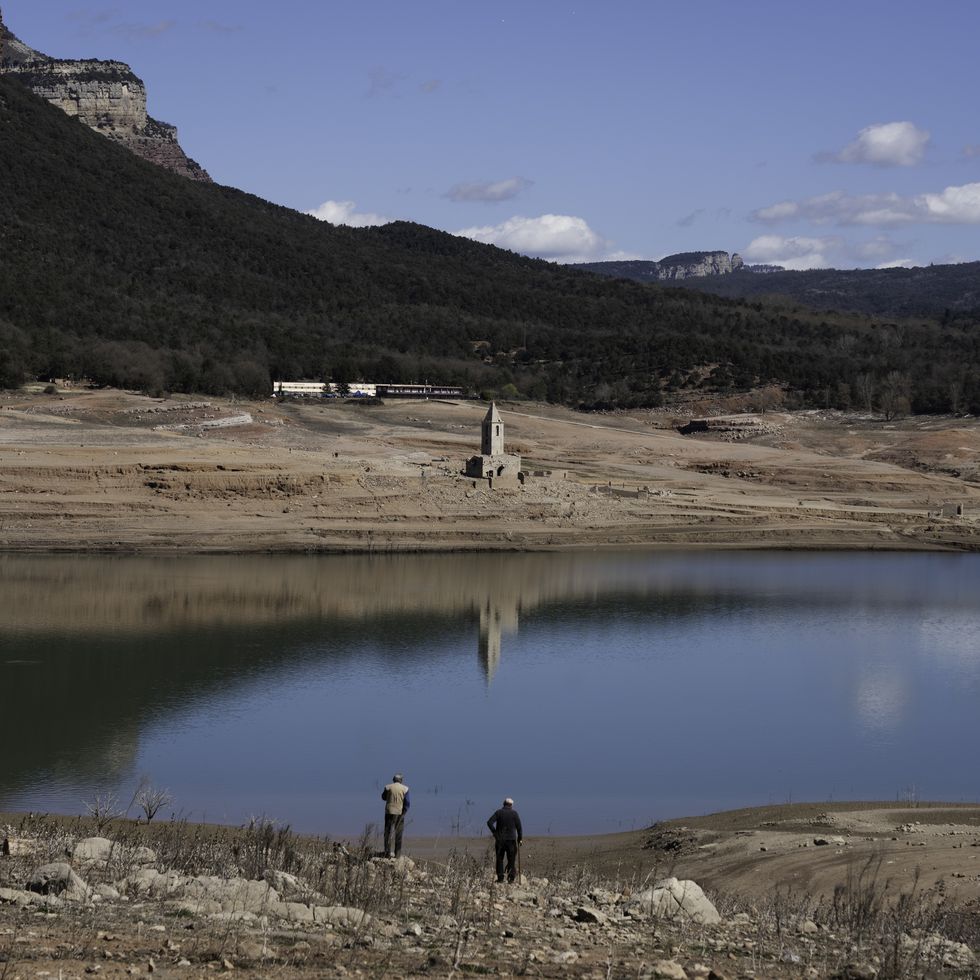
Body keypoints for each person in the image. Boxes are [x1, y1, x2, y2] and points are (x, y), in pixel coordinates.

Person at [487, 797, 523, 883]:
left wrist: (495, 833)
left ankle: (500, 878)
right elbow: (519, 828)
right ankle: (511, 879)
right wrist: (520, 839)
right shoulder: (514, 813)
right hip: (511, 840)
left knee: (499, 859)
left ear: (503, 803)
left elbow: (489, 822)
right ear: (511, 805)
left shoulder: (499, 812)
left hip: (500, 840)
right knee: (511, 860)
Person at [381, 773, 410, 857]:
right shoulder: (405, 789)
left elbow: (383, 797)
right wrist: (404, 812)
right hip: (399, 813)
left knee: (387, 833)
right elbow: (407, 803)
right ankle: (397, 854)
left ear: (393, 780)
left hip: (389, 812)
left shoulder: (388, 787)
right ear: (401, 780)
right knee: (398, 833)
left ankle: (387, 853)